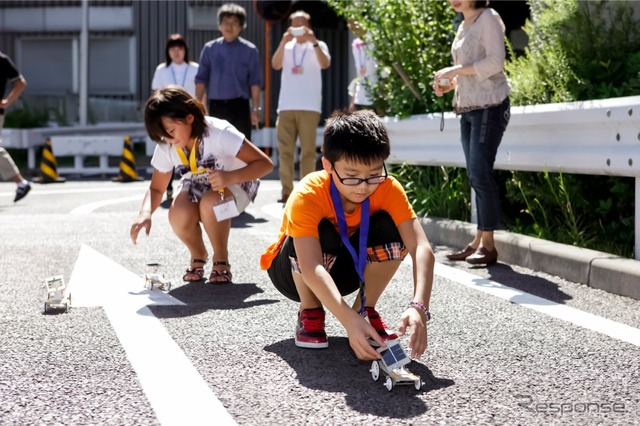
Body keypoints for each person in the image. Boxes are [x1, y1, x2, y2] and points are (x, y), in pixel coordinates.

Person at [260, 109, 434, 361]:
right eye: (352, 176)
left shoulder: (387, 188)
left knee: (390, 226)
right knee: (324, 230)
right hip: (294, 273)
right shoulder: (309, 193)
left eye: (374, 174)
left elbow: (421, 248)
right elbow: (310, 266)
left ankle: (364, 308)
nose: (364, 186)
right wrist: (348, 324)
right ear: (328, 165)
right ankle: (310, 310)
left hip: (346, 271)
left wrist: (419, 307)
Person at [131, 86, 273, 284]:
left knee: (211, 203)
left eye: (171, 131)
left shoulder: (219, 133)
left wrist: (229, 177)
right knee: (178, 212)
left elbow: (265, 164)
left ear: (189, 117)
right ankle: (198, 254)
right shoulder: (167, 143)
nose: (168, 140)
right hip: (198, 183)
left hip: (236, 181)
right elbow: (156, 188)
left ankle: (221, 259)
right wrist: (144, 213)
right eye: (163, 136)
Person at [433, 0, 510, 266]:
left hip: (489, 105)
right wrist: (450, 83)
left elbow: (494, 63)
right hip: (467, 106)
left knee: (480, 172)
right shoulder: (464, 24)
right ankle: (479, 240)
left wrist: (456, 70)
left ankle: (488, 245)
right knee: (475, 174)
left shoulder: (488, 17)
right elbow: (470, 69)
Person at [271, 10, 331, 204]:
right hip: (286, 105)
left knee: (307, 151)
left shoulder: (318, 45)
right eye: (294, 24)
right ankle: (287, 191)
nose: (298, 29)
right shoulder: (286, 46)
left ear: (309, 26)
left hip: (309, 106)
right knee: (285, 151)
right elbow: (275, 64)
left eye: (302, 24)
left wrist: (313, 41)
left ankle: (306, 190)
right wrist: (282, 41)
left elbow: (325, 63)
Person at [195, 3, 262, 143]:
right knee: (216, 146)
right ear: (220, 25)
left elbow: (255, 82)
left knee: (241, 147)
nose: (229, 27)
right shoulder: (209, 49)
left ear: (241, 26)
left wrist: (256, 108)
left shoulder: (250, 50)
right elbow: (201, 79)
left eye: (234, 23)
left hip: (240, 106)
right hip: (216, 106)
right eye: (226, 22)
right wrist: (197, 106)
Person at [152, 34, 199, 200]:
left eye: (180, 48)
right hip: (168, 117)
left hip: (189, 116)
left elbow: (202, 93)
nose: (177, 51)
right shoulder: (162, 70)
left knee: (191, 150)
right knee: (169, 149)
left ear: (185, 50)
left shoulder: (195, 68)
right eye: (173, 48)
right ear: (168, 51)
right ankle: (169, 186)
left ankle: (193, 184)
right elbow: (155, 94)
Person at [0, 51, 30, 202]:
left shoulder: (2, 60)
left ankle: (21, 182)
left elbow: (20, 83)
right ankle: (21, 183)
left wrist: (7, 102)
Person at [347, 20, 377, 111]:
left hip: (375, 86)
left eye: (356, 24)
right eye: (352, 27)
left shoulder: (374, 40)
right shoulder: (356, 43)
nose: (356, 28)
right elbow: (358, 70)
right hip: (361, 89)